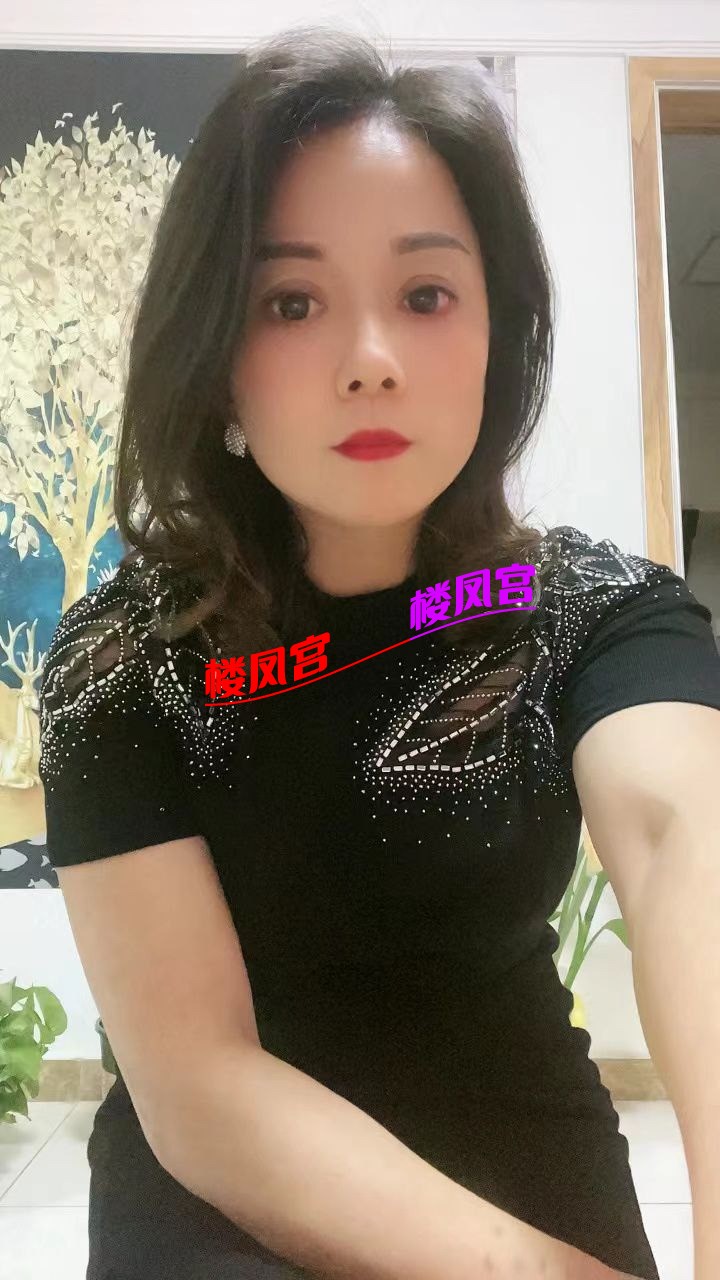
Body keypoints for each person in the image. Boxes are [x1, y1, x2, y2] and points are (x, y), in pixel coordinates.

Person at [37, 24, 720, 1280]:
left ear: (498, 333)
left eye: (426, 295)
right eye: (292, 302)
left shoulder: (592, 609)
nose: (371, 363)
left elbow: (688, 840)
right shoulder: (122, 659)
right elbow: (202, 1083)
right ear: (217, 357)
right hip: (222, 1205)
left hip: (524, 1151)